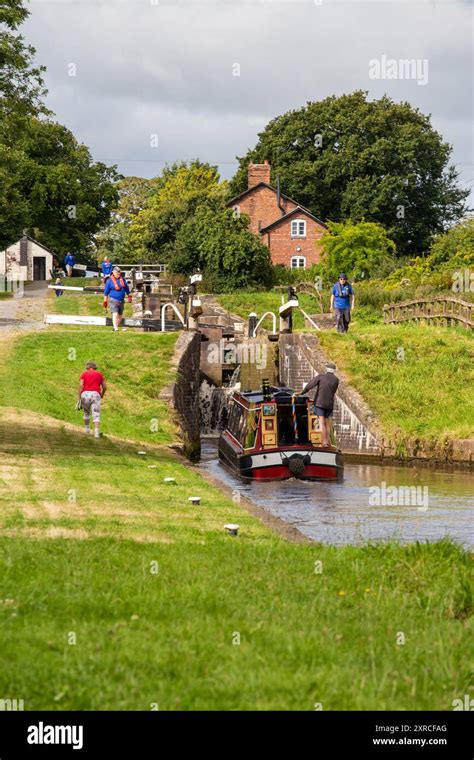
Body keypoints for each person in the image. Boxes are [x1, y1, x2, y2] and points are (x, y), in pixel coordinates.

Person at [301, 362, 339, 448]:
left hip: (320, 403)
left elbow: (309, 386)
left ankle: (324, 442)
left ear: (326, 369)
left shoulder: (321, 377)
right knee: (327, 423)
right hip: (330, 404)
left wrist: (302, 392)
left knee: (321, 423)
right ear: (333, 370)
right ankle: (328, 442)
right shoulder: (336, 380)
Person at [78, 361, 107, 438]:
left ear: (87, 367)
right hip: (95, 394)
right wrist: (102, 394)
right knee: (96, 413)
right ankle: (96, 432)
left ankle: (86, 429)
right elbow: (104, 387)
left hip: (85, 394)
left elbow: (81, 386)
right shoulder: (100, 374)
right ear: (95, 367)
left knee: (86, 412)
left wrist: (79, 397)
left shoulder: (84, 374)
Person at [103, 266, 132, 332]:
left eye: (119, 273)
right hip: (113, 299)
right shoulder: (109, 281)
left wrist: (129, 296)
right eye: (117, 272)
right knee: (115, 313)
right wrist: (105, 301)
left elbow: (126, 288)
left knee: (120, 315)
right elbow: (106, 292)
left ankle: (114, 327)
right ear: (113, 272)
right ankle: (116, 328)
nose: (118, 274)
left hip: (121, 300)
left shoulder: (123, 279)